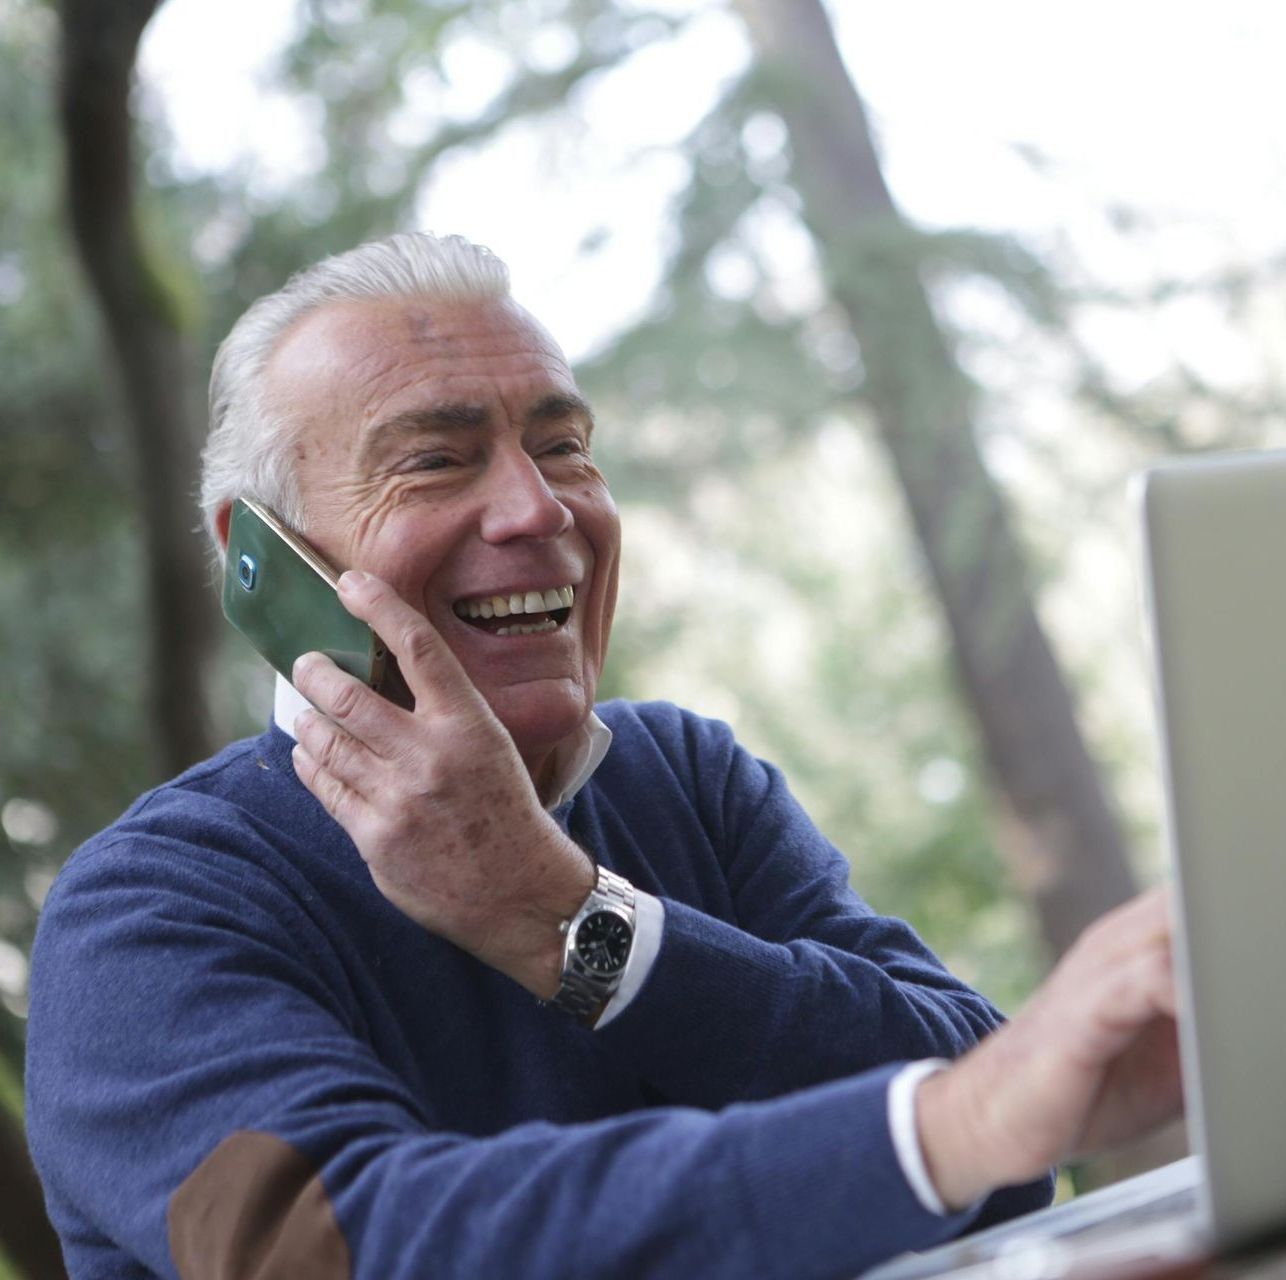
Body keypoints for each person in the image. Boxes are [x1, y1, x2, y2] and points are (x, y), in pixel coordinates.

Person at [25, 233, 1182, 1279]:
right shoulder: (144, 910)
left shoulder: (682, 776)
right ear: (260, 560)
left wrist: (577, 924)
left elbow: (1005, 1138)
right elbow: (350, 1247)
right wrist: (937, 1130)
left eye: (563, 447)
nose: (537, 508)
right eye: (436, 459)